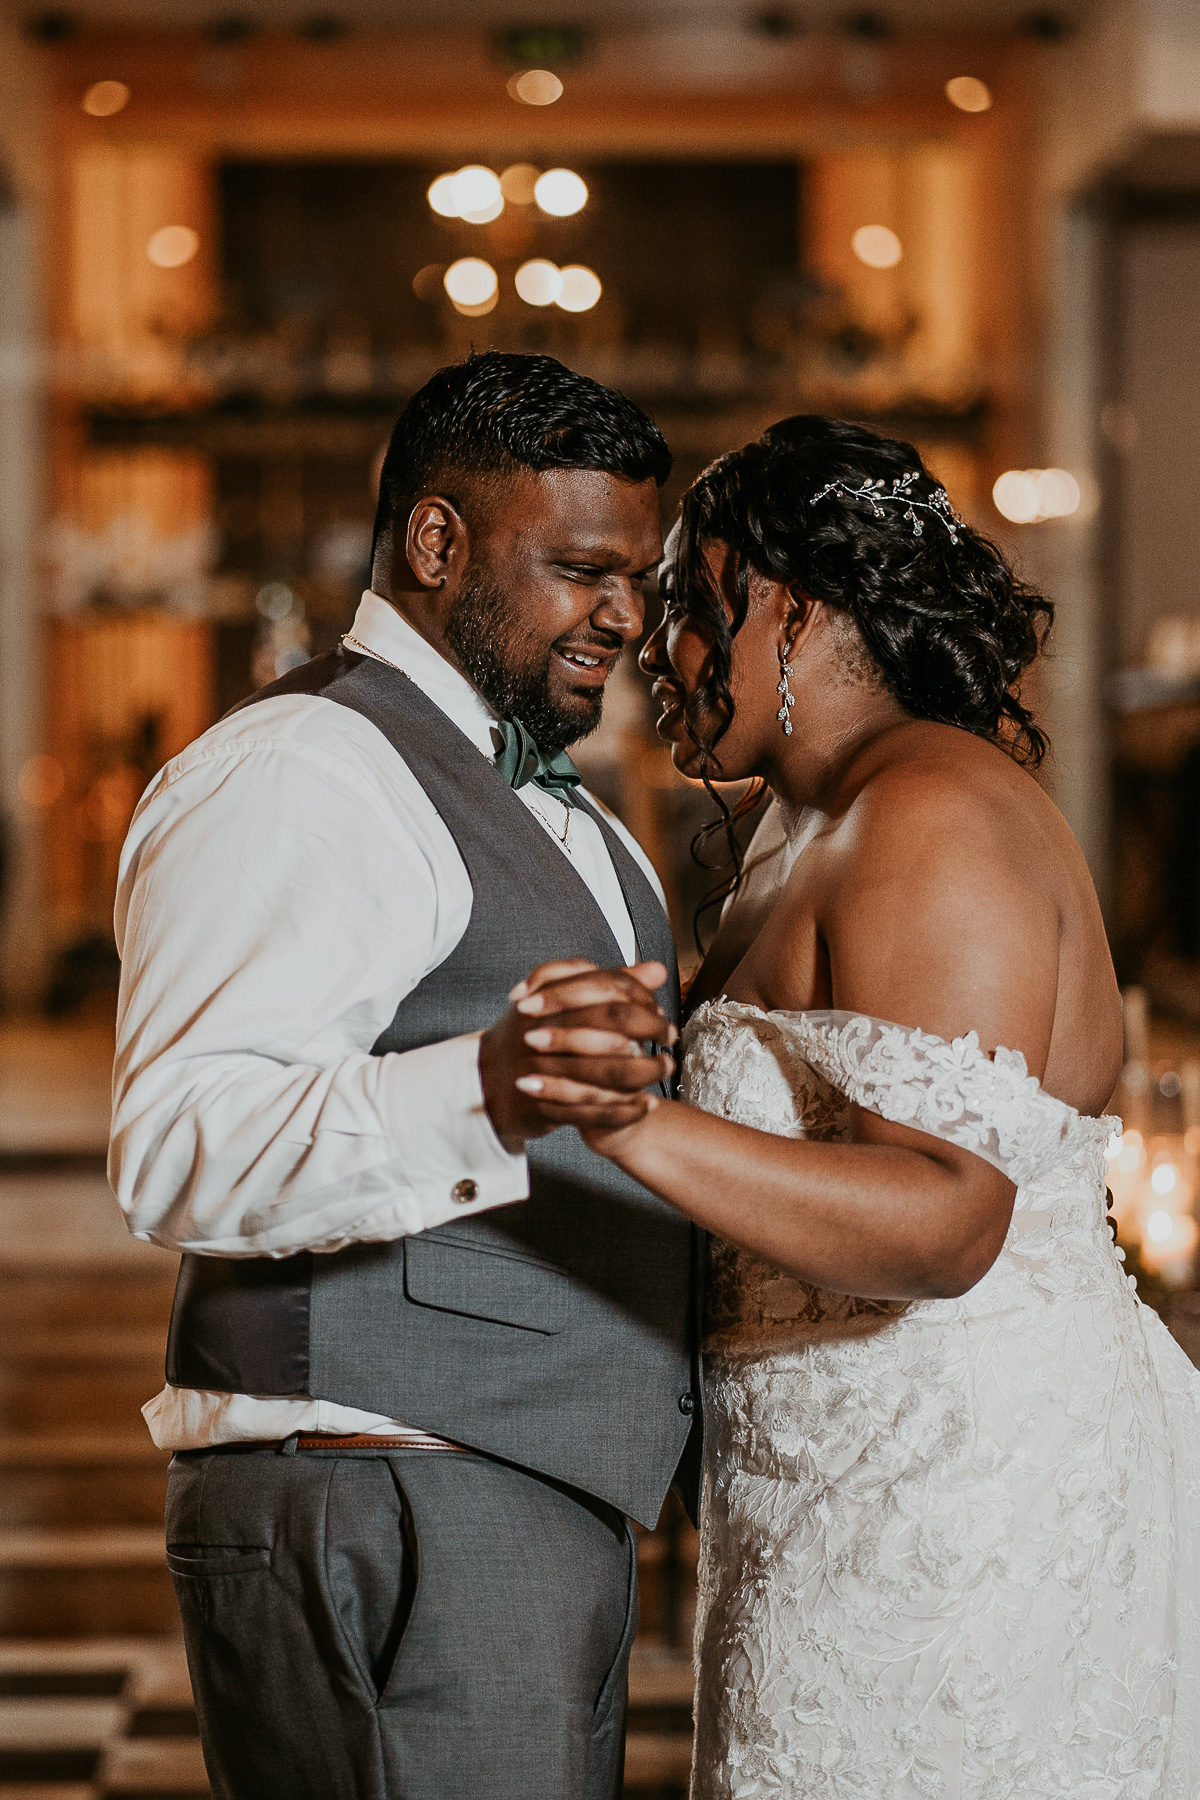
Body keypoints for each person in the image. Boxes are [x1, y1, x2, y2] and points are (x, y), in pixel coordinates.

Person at [511, 416, 1200, 1797]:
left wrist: (633, 1116)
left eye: (699, 612)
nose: (663, 652)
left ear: (797, 609)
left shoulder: (931, 813)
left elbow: (948, 1220)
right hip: (820, 1499)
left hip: (961, 1510)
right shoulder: (794, 826)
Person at [108, 351, 700, 1800]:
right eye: (578, 569)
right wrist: (487, 1090)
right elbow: (180, 1144)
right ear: (437, 541)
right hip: (383, 1486)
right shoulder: (305, 769)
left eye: (639, 575)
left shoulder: (566, 808)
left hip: (514, 1491)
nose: (624, 616)